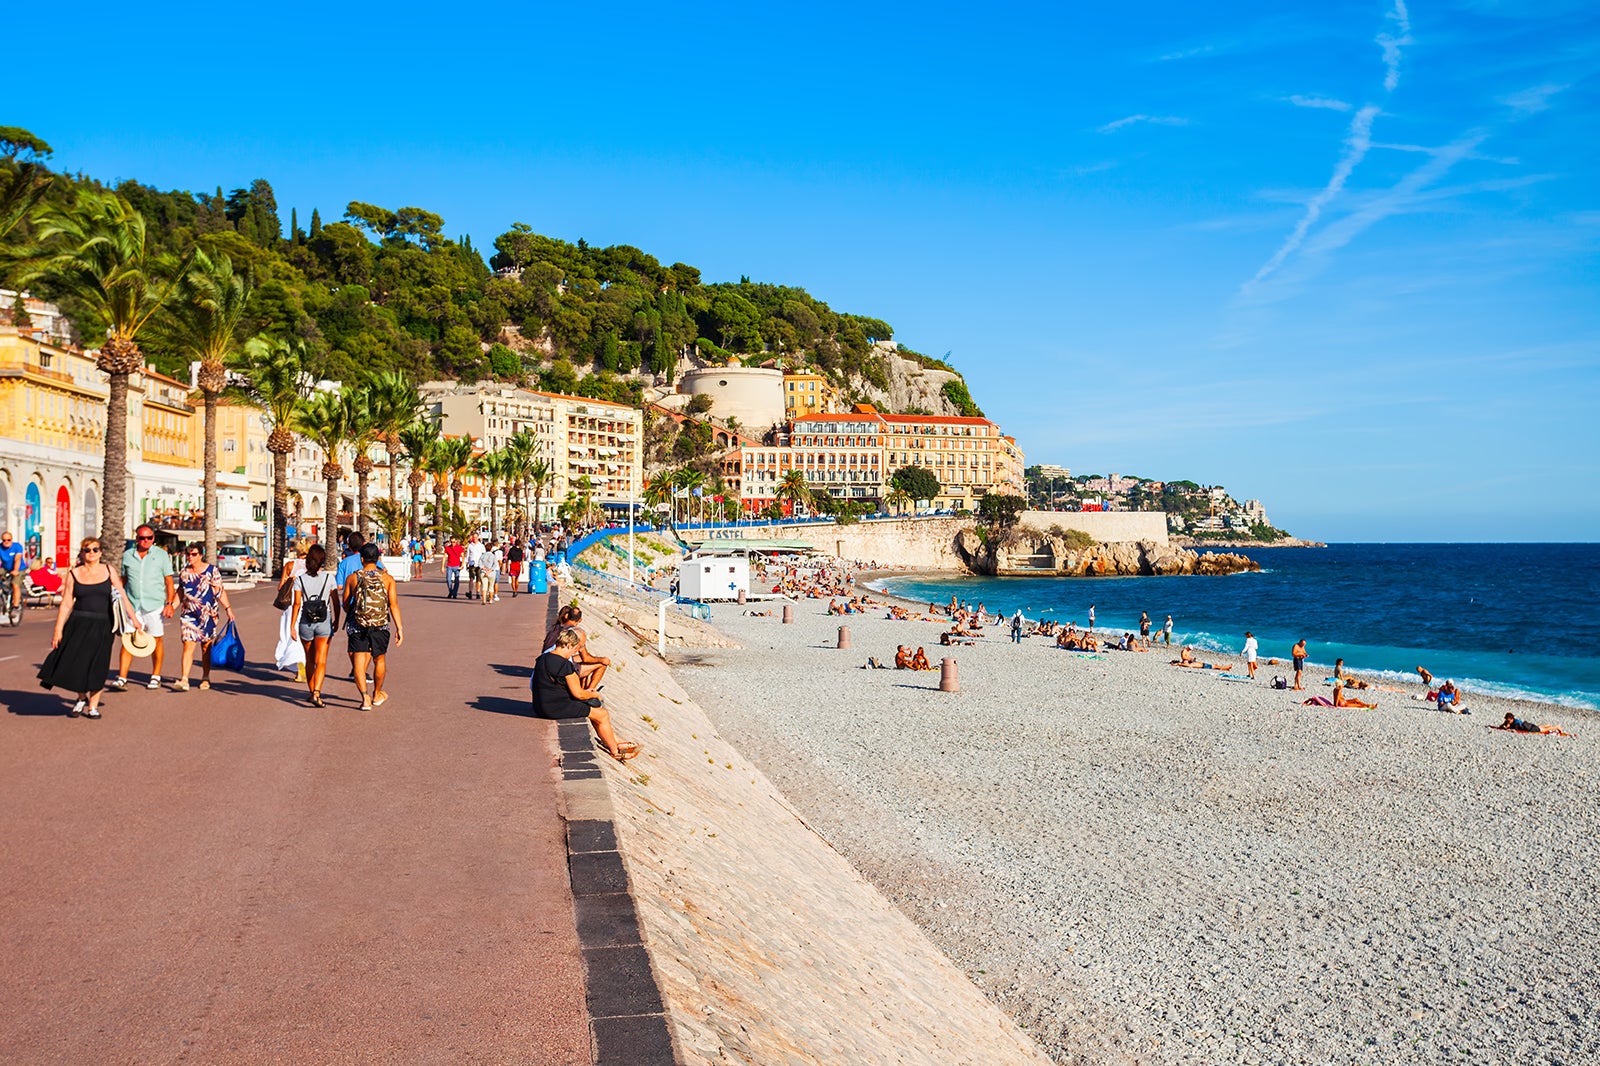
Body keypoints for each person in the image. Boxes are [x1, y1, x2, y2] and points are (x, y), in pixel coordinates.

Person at [38, 537, 139, 718]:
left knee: (98, 665)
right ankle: (81, 697)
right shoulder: (74, 574)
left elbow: (122, 596)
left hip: (103, 625)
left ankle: (93, 706)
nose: (91, 553)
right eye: (87, 550)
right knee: (77, 663)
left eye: (95, 549)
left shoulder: (109, 571)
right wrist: (57, 630)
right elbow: (67, 604)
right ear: (82, 553)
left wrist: (134, 620)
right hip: (78, 623)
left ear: (100, 552)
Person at [532, 628, 638, 761]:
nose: (575, 653)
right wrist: (594, 695)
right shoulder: (565, 665)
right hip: (556, 708)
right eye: (575, 649)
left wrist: (586, 693)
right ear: (568, 645)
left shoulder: (542, 658)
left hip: (540, 707)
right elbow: (578, 694)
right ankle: (615, 751)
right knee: (602, 714)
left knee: (593, 712)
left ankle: (615, 742)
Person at [110, 524, 178, 691]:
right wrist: (115, 596)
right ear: (137, 539)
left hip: (154, 605)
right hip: (132, 605)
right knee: (127, 641)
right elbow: (124, 579)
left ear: (153, 539)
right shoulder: (127, 556)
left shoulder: (161, 555)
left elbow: (169, 582)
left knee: (156, 640)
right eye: (142, 538)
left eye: (149, 538)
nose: (146, 541)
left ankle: (155, 676)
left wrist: (170, 604)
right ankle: (122, 678)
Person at [343, 542, 404, 711]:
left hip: (358, 625)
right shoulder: (387, 578)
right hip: (380, 625)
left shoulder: (353, 578)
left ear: (362, 559)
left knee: (359, 663)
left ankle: (365, 699)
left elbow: (346, 604)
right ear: (377, 558)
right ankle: (377, 693)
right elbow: (393, 605)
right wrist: (399, 628)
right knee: (379, 660)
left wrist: (356, 613)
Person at [174, 543, 234, 691]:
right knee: (188, 644)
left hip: (208, 615)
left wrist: (228, 609)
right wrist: (171, 606)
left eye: (194, 554)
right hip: (189, 615)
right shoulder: (184, 572)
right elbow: (181, 592)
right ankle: (184, 679)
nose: (190, 557)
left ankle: (205, 676)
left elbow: (219, 591)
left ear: (201, 555)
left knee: (205, 646)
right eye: (188, 554)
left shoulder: (211, 571)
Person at [293, 543, 341, 707]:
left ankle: (311, 690)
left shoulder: (300, 580)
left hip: (305, 622)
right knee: (321, 660)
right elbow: (335, 602)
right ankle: (317, 693)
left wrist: (292, 626)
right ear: (322, 561)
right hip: (323, 622)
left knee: (309, 660)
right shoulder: (329, 578)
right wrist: (337, 620)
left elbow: (297, 605)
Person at [544, 603, 610, 688]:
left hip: (547, 660)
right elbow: (586, 658)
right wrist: (602, 659)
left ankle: (582, 687)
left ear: (567, 616)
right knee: (601, 665)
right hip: (560, 667)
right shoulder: (575, 633)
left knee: (580, 658)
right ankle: (590, 692)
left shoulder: (555, 629)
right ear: (580, 620)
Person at [0, 530, 26, 621]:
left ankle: (15, 607)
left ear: (11, 540)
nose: (6, 542)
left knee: (15, 585)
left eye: (8, 540)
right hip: (6, 568)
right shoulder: (0, 548)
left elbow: (17, 559)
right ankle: (4, 594)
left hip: (19, 569)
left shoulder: (17, 547)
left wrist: (15, 570)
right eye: (4, 540)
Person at [1494, 713, 1572, 736]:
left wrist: (1508, 729)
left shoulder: (1516, 722)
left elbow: (1517, 730)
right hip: (1528, 725)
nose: (1507, 721)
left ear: (1511, 719)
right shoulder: (1508, 721)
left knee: (1543, 730)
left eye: (1508, 720)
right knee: (1537, 726)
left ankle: (1556, 727)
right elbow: (1501, 726)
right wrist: (1504, 726)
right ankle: (1546, 725)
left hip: (1530, 728)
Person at [464, 534, 484, 600]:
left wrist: (483, 564)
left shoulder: (481, 546)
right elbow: (468, 555)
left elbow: (484, 555)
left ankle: (478, 592)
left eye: (476, 537)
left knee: (478, 579)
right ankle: (470, 592)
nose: (475, 538)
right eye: (473, 537)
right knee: (471, 578)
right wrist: (466, 563)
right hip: (472, 564)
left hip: (479, 564)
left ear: (478, 537)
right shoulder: (470, 546)